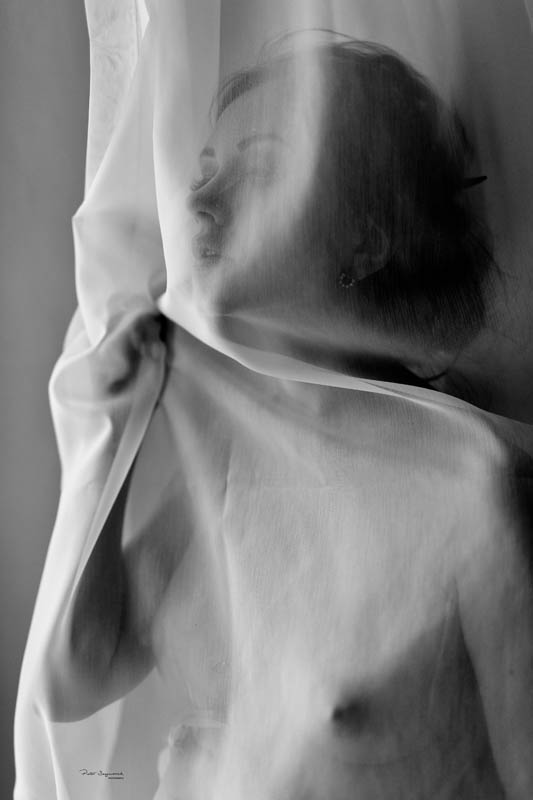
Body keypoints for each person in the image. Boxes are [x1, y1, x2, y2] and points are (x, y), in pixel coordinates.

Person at [38, 33, 533, 799]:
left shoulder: (474, 487)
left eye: (261, 167)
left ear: (364, 242)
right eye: (205, 170)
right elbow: (73, 680)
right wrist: (118, 427)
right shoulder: (230, 454)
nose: (199, 202)